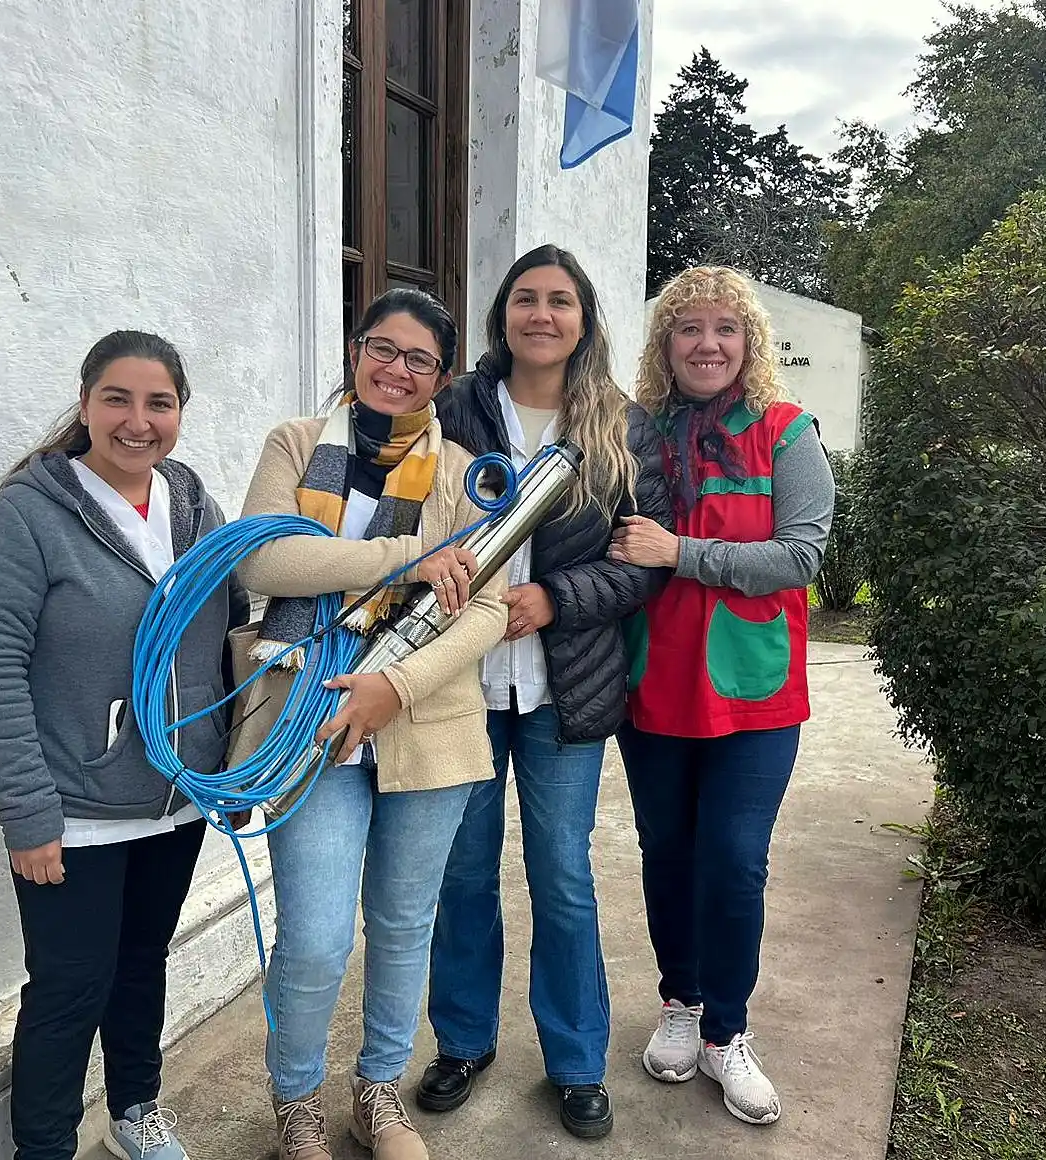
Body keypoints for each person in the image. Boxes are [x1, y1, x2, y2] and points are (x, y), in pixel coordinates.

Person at [0, 330, 248, 1160]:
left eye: (159, 403)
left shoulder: (193, 504)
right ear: (84, 404)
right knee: (67, 987)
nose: (137, 421)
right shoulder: (25, 516)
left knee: (140, 963)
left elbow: (230, 625)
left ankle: (134, 1110)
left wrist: (233, 754)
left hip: (176, 795)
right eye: (117, 399)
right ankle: (43, 1147)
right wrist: (26, 811)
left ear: (180, 413)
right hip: (74, 811)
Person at [232, 288, 507, 1160]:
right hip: (305, 716)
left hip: (426, 724)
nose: (396, 369)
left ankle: (379, 1094)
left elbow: (489, 608)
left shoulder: (466, 474)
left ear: (441, 376)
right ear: (355, 353)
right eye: (381, 348)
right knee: (313, 938)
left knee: (402, 923)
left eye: (418, 359)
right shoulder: (295, 445)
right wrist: (411, 558)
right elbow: (264, 557)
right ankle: (298, 1104)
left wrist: (395, 685)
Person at [416, 244, 674, 1139]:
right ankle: (463, 1041)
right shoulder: (452, 411)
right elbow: (411, 525)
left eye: (560, 301)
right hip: (458, 685)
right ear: (502, 317)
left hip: (566, 690)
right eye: (526, 299)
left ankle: (575, 1058)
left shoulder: (621, 425)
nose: (542, 315)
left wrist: (553, 599)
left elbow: (641, 566)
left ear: (584, 319)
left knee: (562, 876)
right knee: (461, 872)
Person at [611, 266, 835, 1126]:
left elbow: (799, 557)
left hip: (752, 692)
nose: (707, 345)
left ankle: (726, 1035)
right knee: (667, 849)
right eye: (688, 330)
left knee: (734, 862)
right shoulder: (640, 436)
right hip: (656, 684)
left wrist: (682, 553)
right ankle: (680, 1002)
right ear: (666, 346)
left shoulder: (785, 432)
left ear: (749, 343)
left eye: (724, 330)